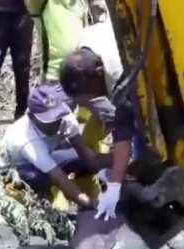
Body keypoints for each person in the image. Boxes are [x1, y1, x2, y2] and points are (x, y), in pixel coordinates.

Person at [60, 22, 138, 221]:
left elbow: (123, 134)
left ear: (99, 73)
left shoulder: (119, 72)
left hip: (142, 63)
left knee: (138, 133)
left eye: (93, 96)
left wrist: (114, 187)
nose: (92, 103)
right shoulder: (85, 44)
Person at [0, 84, 113, 210]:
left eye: (57, 117)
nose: (56, 123)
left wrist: (116, 162)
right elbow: (59, 177)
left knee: (83, 161)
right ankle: (38, 206)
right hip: (10, 173)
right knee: (37, 177)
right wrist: (91, 204)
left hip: (44, 159)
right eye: (49, 121)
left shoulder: (65, 118)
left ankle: (83, 194)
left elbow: (85, 154)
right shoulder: (26, 139)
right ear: (32, 117)